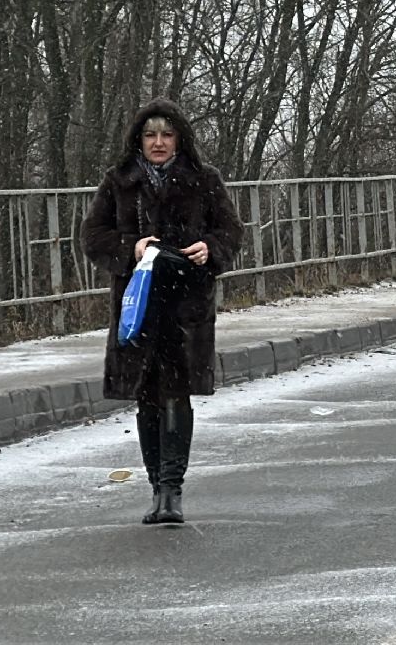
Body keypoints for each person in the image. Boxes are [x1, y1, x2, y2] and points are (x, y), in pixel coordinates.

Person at [80, 98, 243, 526]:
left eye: (166, 134)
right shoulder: (119, 182)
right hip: (137, 304)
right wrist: (129, 248)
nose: (158, 142)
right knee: (146, 397)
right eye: (150, 135)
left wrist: (210, 247)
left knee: (177, 394)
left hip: (185, 305)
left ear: (179, 139)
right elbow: (93, 235)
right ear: (139, 139)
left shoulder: (203, 180)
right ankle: (155, 486)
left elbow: (230, 230)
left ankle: (173, 489)